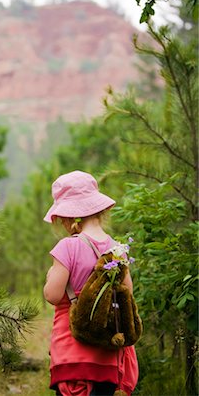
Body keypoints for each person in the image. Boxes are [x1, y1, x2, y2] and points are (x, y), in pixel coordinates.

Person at [43, 170, 138, 396]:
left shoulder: (68, 247)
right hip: (107, 352)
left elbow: (53, 295)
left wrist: (50, 277)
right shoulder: (118, 250)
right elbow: (128, 293)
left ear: (70, 216)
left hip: (71, 351)